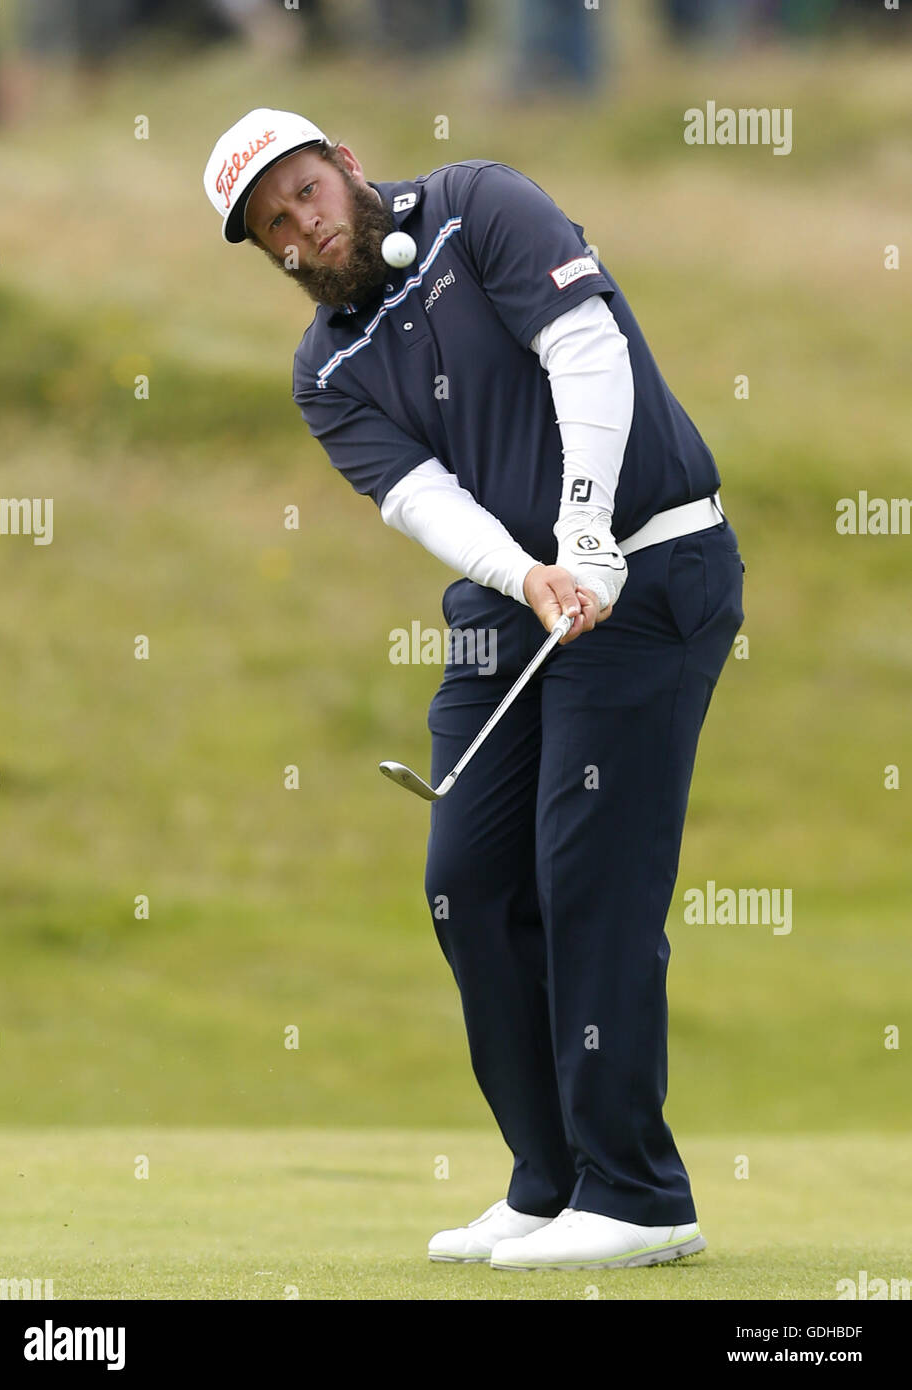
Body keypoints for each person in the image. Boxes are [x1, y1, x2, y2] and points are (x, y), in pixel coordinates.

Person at [203, 109, 745, 1272]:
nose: (301, 222)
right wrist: (531, 569)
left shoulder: (476, 205)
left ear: (344, 165)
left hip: (650, 566)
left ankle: (640, 1196)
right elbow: (420, 498)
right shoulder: (324, 370)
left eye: (305, 190)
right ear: (267, 251)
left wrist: (589, 526)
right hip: (514, 602)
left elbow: (584, 346)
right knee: (467, 883)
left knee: (584, 872)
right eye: (273, 224)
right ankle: (551, 1183)